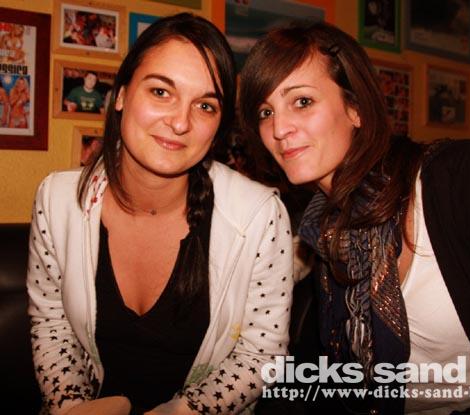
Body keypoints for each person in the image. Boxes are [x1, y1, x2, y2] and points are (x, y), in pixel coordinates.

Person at [239, 21, 470, 414]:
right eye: (265, 111)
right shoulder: (325, 231)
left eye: (302, 101)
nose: (279, 128)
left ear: (355, 108)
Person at [27, 12, 293, 415]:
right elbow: (51, 322)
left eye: (205, 105)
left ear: (219, 127)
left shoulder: (259, 216)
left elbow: (262, 353)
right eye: (161, 92)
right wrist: (70, 405)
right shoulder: (57, 200)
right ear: (121, 95)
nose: (180, 122)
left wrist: (184, 411)